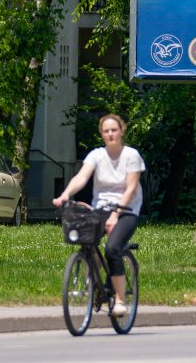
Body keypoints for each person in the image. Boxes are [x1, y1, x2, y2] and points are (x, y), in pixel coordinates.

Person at [52, 113, 145, 317]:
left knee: (112, 248)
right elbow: (81, 177)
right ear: (101, 134)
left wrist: (115, 215)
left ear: (121, 131)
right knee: (87, 242)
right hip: (101, 207)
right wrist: (65, 194)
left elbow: (130, 189)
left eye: (114, 130)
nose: (110, 134)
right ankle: (95, 284)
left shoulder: (131, 155)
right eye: (106, 131)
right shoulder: (97, 155)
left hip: (127, 210)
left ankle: (119, 300)